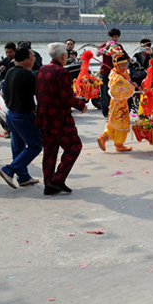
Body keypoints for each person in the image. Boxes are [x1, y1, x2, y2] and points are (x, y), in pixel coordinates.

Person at [36, 42, 87, 195]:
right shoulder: (62, 72)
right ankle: (57, 179)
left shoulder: (42, 70)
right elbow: (67, 97)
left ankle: (48, 185)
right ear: (64, 56)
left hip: (44, 118)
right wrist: (81, 105)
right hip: (60, 118)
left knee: (50, 151)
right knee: (74, 147)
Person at [0, 47, 42, 189]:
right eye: (32, 56)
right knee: (35, 145)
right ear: (26, 59)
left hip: (11, 114)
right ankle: (9, 170)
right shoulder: (25, 75)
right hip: (22, 116)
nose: (34, 59)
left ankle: (23, 177)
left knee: (18, 148)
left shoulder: (10, 72)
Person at [97, 54, 134, 153]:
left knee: (113, 123)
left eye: (125, 65)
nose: (124, 67)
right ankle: (119, 144)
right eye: (122, 65)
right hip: (119, 103)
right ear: (117, 65)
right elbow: (126, 89)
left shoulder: (114, 73)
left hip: (116, 103)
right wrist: (131, 86)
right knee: (121, 123)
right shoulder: (118, 77)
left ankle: (103, 137)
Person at [96, 28, 125, 116]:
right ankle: (105, 113)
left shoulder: (119, 46)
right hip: (105, 72)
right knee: (104, 94)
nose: (115, 38)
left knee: (115, 94)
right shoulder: (104, 45)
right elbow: (97, 53)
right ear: (110, 37)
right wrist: (106, 47)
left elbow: (125, 56)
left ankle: (114, 112)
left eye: (116, 37)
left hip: (116, 73)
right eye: (113, 37)